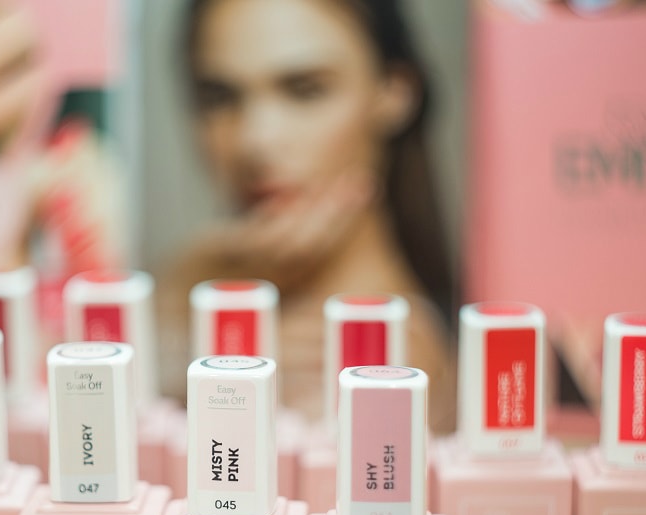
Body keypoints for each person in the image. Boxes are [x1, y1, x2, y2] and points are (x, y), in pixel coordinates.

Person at [158, 0, 458, 428]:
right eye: (220, 97)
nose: (256, 140)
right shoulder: (184, 296)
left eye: (305, 90)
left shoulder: (397, 361)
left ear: (396, 92)